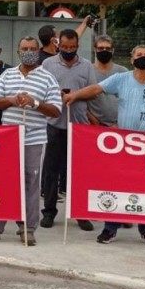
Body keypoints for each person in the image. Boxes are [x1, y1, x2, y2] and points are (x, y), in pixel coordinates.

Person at [0, 36, 61, 246]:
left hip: (34, 138)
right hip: (9, 138)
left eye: (32, 48)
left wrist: (35, 103)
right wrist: (11, 100)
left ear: (38, 51)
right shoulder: (7, 75)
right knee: (3, 182)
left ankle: (27, 229)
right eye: (24, 48)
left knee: (30, 183)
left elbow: (56, 110)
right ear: (18, 51)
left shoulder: (48, 78)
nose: (28, 51)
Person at [91, 44, 145, 246]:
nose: (143, 57)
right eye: (139, 54)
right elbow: (97, 89)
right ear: (131, 58)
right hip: (125, 145)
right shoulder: (121, 80)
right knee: (118, 185)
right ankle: (110, 228)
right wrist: (73, 96)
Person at [40, 28, 96, 231]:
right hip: (55, 124)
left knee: (78, 172)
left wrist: (77, 94)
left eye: (72, 47)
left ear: (77, 47)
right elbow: (42, 89)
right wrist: (58, 95)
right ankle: (48, 211)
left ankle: (80, 213)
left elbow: (93, 92)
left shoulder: (87, 66)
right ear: (58, 45)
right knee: (51, 171)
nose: (68, 50)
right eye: (64, 47)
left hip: (78, 126)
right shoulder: (48, 64)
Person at [88, 35, 127, 126]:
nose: (104, 51)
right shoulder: (88, 70)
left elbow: (128, 99)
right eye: (101, 48)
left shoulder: (122, 72)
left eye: (107, 48)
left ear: (112, 50)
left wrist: (119, 123)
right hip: (93, 125)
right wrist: (91, 118)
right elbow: (81, 99)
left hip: (119, 125)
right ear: (95, 49)